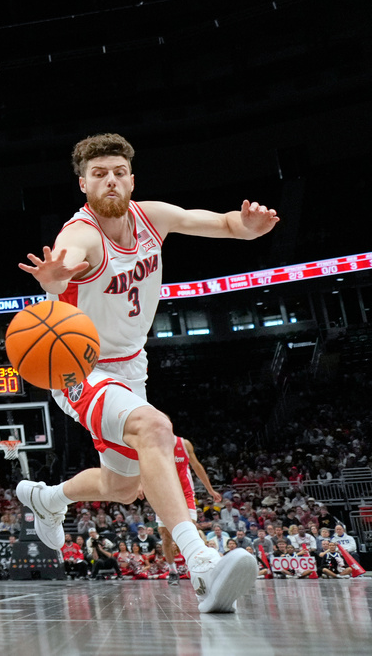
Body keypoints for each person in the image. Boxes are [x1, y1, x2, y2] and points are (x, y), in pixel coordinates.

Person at [15, 133, 277, 612]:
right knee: (154, 427)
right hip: (79, 368)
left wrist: (247, 226)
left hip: (131, 365)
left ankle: (49, 499)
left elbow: (221, 222)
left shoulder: (152, 216)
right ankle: (202, 565)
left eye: (118, 172)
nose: (110, 181)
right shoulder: (82, 234)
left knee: (127, 485)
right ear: (83, 184)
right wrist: (57, 278)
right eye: (99, 174)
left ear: (131, 179)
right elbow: (68, 257)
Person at [150, 435, 220, 586]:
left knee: (191, 531)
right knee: (165, 536)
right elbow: (143, 467)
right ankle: (173, 571)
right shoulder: (152, 446)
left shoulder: (184, 444)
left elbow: (197, 466)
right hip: (163, 495)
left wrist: (211, 490)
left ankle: (199, 568)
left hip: (185, 494)